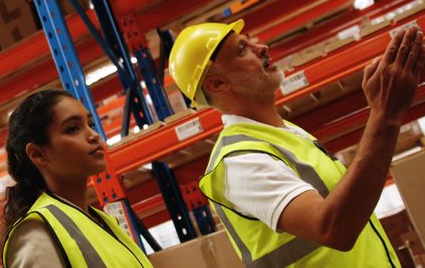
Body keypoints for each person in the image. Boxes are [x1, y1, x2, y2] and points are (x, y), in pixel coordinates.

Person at [169, 20, 425, 267]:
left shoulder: (287, 133)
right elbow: (333, 228)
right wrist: (385, 115)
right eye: (242, 50)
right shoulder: (239, 161)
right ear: (217, 83)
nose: (262, 48)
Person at [1, 89, 153, 267]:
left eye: (90, 124)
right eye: (72, 129)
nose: (93, 135)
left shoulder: (104, 222)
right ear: (38, 154)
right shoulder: (37, 234)